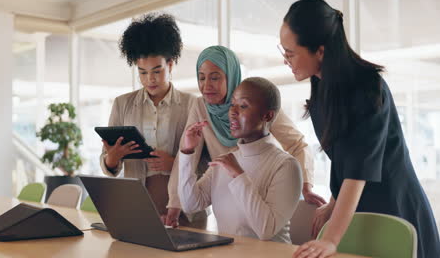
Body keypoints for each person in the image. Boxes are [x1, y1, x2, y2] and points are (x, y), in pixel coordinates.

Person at [276, 0, 440, 258]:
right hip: (357, 210)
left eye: (290, 52)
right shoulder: (322, 85)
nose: (285, 59)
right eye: (282, 50)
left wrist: (330, 239)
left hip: (395, 209)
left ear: (320, 51)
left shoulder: (366, 89)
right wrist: (333, 203)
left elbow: (357, 171)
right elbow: (344, 157)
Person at [165, 45, 324, 226]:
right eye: (201, 78)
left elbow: (297, 144)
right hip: (222, 184)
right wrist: (175, 204)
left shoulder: (258, 102)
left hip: (259, 182)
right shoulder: (201, 106)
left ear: (230, 76)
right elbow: (186, 153)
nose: (206, 85)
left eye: (215, 77)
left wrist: (306, 187)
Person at [178, 77, 302, 242]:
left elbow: (266, 229)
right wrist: (187, 152)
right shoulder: (227, 161)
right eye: (232, 105)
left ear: (267, 115)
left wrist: (239, 175)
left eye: (243, 106)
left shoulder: (286, 165)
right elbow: (190, 205)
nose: (232, 112)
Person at [99, 13, 195, 222]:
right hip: (137, 208)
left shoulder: (192, 105)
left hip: (185, 209)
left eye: (157, 71)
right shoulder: (122, 104)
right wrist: (112, 159)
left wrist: (174, 164)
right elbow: (106, 163)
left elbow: (206, 160)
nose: (149, 79)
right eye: (142, 72)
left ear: (170, 64)